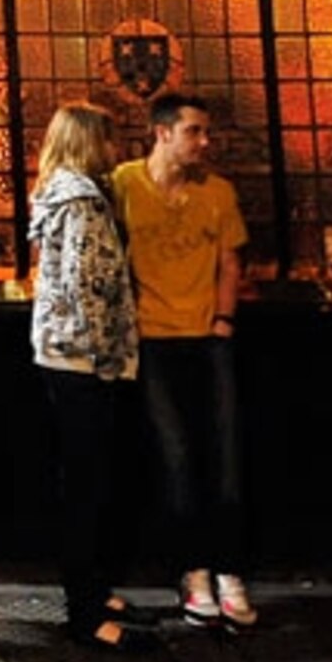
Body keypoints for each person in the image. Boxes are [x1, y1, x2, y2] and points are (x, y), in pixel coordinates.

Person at [112, 91, 253, 630]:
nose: (204, 142)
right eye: (194, 131)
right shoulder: (124, 184)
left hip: (206, 336)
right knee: (174, 457)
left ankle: (229, 570)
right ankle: (193, 571)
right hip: (150, 337)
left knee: (225, 454)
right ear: (162, 132)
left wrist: (222, 322)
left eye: (205, 132)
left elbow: (229, 261)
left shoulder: (217, 192)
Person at [28, 104, 154, 654]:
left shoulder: (65, 193)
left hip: (67, 356)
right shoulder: (80, 202)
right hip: (83, 360)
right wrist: (108, 359)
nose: (117, 146)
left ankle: (95, 591)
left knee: (88, 483)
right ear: (88, 143)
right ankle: (84, 614)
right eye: (110, 138)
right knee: (84, 488)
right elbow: (87, 288)